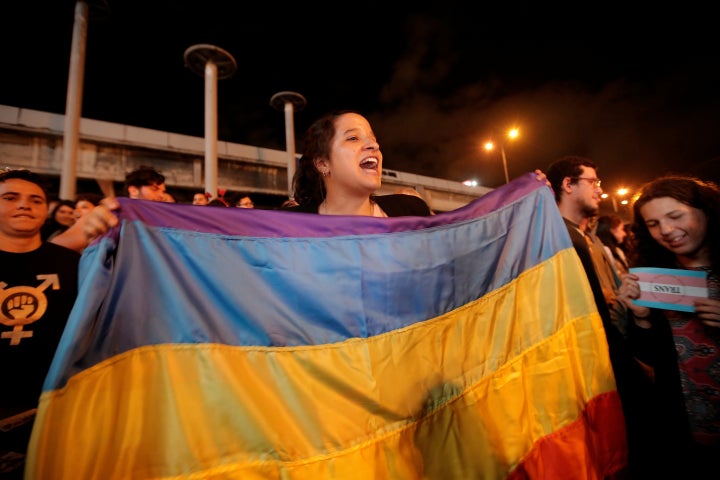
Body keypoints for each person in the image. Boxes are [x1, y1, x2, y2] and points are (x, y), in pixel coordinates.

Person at [546, 155, 655, 478]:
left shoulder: (583, 237)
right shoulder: (558, 238)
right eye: (592, 182)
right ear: (568, 184)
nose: (599, 190)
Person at [617, 175, 720, 476]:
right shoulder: (656, 279)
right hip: (686, 430)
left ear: (707, 211)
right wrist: (639, 316)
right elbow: (649, 357)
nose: (666, 230)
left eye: (675, 216)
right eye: (653, 224)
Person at [0, 169, 80, 478]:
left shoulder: (71, 263)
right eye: (10, 198)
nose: (24, 205)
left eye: (35, 200)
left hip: (52, 406)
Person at [282, 110, 433, 217]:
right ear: (323, 164)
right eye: (353, 138)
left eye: (373, 139)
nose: (374, 146)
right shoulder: (291, 226)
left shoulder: (411, 211)